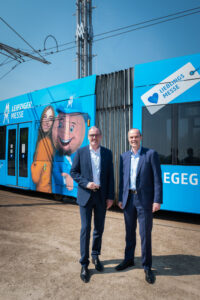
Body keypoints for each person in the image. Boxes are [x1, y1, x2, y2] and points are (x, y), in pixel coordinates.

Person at [115, 128, 162, 284]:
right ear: (128, 139)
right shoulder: (124, 157)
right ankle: (129, 259)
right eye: (131, 137)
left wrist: (157, 200)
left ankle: (147, 266)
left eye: (136, 136)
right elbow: (123, 179)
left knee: (145, 234)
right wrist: (121, 198)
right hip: (128, 200)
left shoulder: (150, 154)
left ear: (141, 137)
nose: (133, 139)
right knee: (129, 233)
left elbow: (157, 179)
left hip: (145, 201)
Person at [70, 126, 114, 283]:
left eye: (96, 135)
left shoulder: (107, 153)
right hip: (85, 196)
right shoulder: (80, 152)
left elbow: (110, 176)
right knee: (85, 229)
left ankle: (95, 255)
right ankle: (84, 264)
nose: (94, 137)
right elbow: (73, 172)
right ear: (88, 137)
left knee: (99, 229)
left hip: (102, 197)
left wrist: (110, 197)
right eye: (91, 135)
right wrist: (86, 183)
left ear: (100, 136)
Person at [52, 103, 87, 196]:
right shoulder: (56, 156)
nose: (65, 133)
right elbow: (55, 172)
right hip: (62, 191)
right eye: (60, 125)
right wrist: (65, 178)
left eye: (71, 128)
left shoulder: (82, 155)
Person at [31, 105, 55, 193]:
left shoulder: (44, 142)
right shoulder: (50, 141)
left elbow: (35, 178)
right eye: (44, 117)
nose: (47, 122)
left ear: (53, 123)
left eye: (51, 119)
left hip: (43, 188)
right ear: (41, 119)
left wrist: (32, 165)